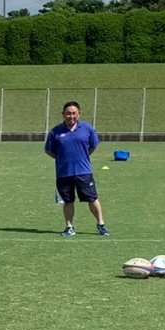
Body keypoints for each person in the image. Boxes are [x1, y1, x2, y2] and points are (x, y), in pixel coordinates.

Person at [44, 101, 108, 238]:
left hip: (84, 172)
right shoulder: (55, 132)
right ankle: (69, 227)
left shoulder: (87, 129)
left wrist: (82, 157)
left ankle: (101, 224)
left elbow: (93, 146)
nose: (71, 116)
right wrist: (62, 159)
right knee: (68, 201)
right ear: (63, 114)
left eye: (74, 113)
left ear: (79, 114)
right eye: (68, 113)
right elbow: (49, 151)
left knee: (92, 199)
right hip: (64, 173)